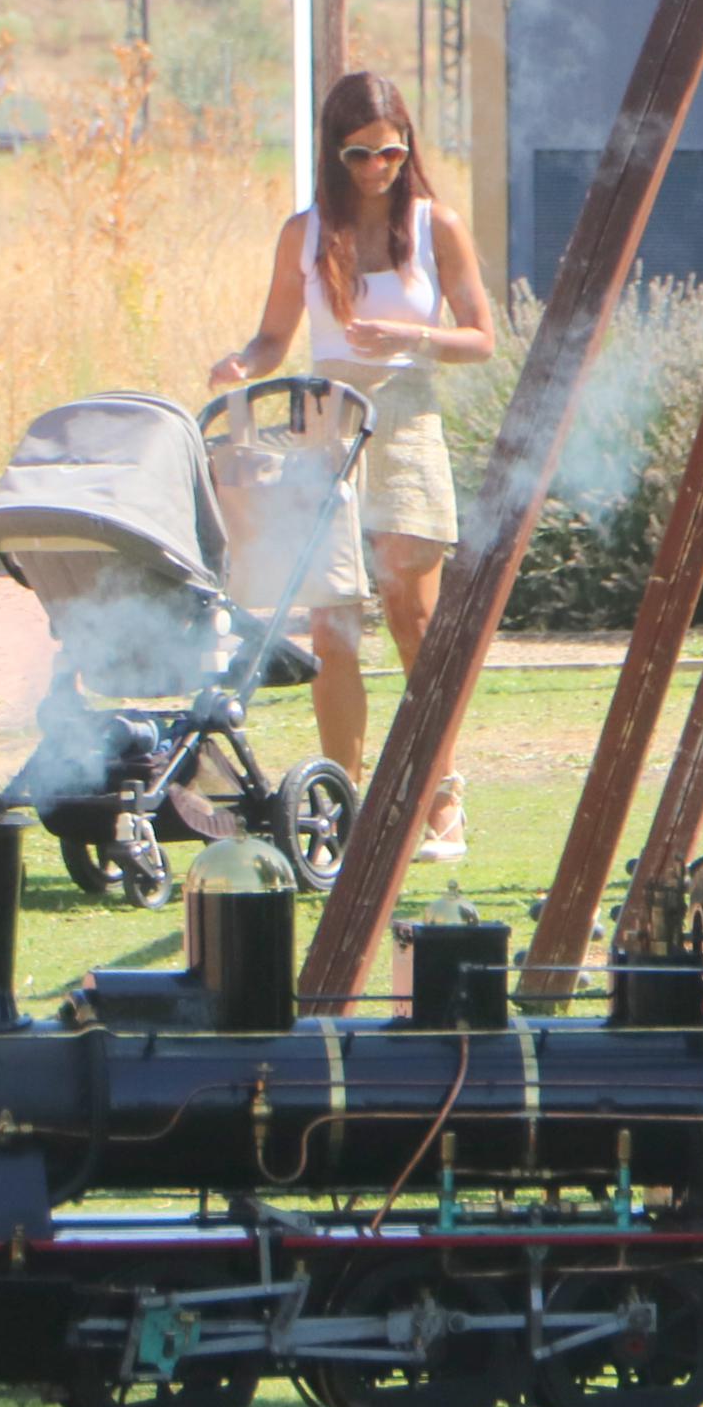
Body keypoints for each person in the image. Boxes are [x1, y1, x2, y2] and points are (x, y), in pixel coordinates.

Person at [206, 68, 494, 862]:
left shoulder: (439, 225)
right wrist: (244, 360)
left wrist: (413, 338)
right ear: (334, 152)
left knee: (415, 619)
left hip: (404, 418)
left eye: (391, 152)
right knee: (332, 626)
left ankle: (440, 800)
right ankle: (344, 805)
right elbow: (272, 336)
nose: (377, 168)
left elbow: (481, 335)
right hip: (321, 423)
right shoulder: (303, 232)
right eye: (360, 154)